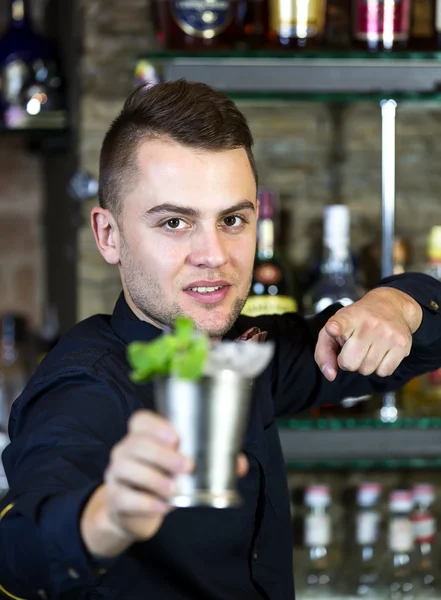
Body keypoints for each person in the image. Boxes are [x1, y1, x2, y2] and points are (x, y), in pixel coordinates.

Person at [0, 80, 440, 600]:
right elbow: (17, 552)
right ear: (108, 235)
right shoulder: (84, 386)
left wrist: (396, 303)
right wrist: (105, 520)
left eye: (232, 220)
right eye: (174, 222)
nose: (214, 254)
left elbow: (426, 344)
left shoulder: (246, 351)